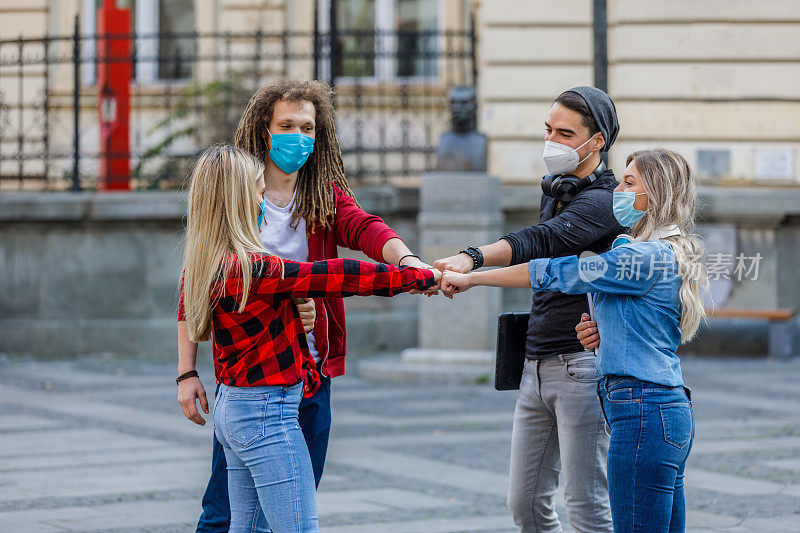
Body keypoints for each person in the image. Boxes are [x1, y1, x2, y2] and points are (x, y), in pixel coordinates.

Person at [177, 79, 434, 532]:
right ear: (263, 130)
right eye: (287, 125)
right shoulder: (244, 222)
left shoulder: (317, 197)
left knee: (254, 519)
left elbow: (364, 229)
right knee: (267, 519)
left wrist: (407, 260)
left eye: (308, 127)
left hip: (295, 377)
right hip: (263, 393)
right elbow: (334, 276)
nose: (299, 137)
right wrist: (414, 279)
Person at [440, 148, 706, 533]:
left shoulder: (643, 258)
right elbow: (653, 327)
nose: (619, 190)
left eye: (629, 183)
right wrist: (607, 333)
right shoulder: (658, 253)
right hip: (664, 410)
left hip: (645, 413)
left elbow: (562, 270)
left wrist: (473, 275)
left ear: (657, 195)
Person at [434, 86, 622, 532]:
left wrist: (472, 261)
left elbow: (541, 247)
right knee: (526, 504)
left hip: (581, 366)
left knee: (586, 505)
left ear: (597, 141)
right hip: (535, 363)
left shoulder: (606, 200)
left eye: (566, 133)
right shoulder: (559, 189)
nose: (552, 142)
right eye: (549, 130)